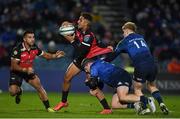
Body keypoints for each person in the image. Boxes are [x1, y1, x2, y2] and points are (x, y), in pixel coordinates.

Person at [53, 12, 113, 114]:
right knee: (66, 78)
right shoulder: (78, 30)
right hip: (80, 59)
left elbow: (81, 50)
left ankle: (107, 109)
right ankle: (63, 102)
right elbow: (66, 23)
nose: (78, 21)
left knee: (92, 85)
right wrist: (64, 24)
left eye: (80, 19)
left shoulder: (89, 36)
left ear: (86, 22)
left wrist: (71, 41)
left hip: (89, 60)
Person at [107, 22, 169, 115]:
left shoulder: (124, 41)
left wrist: (105, 58)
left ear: (127, 30)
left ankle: (144, 108)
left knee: (137, 89)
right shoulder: (141, 37)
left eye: (123, 32)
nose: (123, 34)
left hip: (141, 65)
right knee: (151, 86)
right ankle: (161, 103)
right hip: (152, 63)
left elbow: (113, 55)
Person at [9, 30, 65, 112]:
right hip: (17, 72)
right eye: (29, 37)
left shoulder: (34, 48)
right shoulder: (17, 49)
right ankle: (19, 91)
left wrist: (55, 56)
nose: (32, 39)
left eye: (33, 37)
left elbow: (46, 55)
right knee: (13, 92)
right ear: (24, 39)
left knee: (39, 87)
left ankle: (48, 107)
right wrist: (25, 69)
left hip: (29, 72)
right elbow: (13, 66)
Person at [81, 58, 155, 115]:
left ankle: (147, 100)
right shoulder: (99, 64)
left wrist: (88, 83)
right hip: (120, 78)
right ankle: (137, 105)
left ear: (88, 64)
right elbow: (100, 85)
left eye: (85, 69)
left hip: (121, 77)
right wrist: (94, 88)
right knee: (115, 104)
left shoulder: (93, 67)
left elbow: (93, 83)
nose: (87, 71)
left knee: (122, 97)